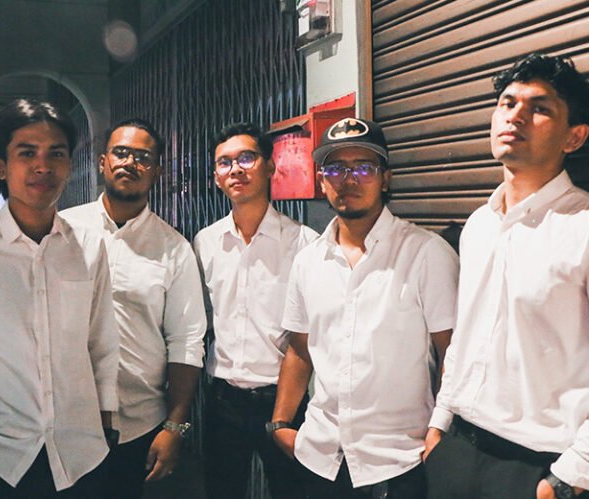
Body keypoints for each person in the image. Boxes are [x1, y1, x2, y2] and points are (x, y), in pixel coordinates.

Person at [0, 98, 119, 498]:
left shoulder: (90, 245)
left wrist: (106, 427)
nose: (43, 166)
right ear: (0, 165)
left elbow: (102, 342)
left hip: (83, 456)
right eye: (27, 153)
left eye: (56, 154)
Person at [424, 53, 589, 499]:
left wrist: (571, 476)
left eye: (539, 108)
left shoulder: (582, 227)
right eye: (507, 103)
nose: (515, 116)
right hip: (457, 447)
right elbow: (465, 336)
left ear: (574, 136)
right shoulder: (480, 224)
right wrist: (439, 423)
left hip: (540, 466)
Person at [272, 117, 459, 498]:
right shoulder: (308, 261)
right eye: (336, 169)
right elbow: (299, 348)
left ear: (385, 178)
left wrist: (439, 430)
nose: (349, 179)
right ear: (322, 181)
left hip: (399, 460)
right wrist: (280, 423)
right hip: (320, 457)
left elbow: (452, 351)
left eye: (364, 167)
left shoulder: (425, 253)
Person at [61, 118, 206, 498]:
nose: (129, 162)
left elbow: (187, 341)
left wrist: (174, 427)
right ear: (102, 162)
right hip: (65, 419)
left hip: (138, 425)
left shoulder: (174, 249)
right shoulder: (63, 231)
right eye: (121, 153)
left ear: (157, 171)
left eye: (143, 157)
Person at [193, 122, 318, 498]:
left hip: (284, 399)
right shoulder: (206, 242)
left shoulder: (304, 244)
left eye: (247, 158)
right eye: (225, 162)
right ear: (216, 177)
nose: (236, 169)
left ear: (269, 167)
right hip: (223, 399)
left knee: (291, 492)